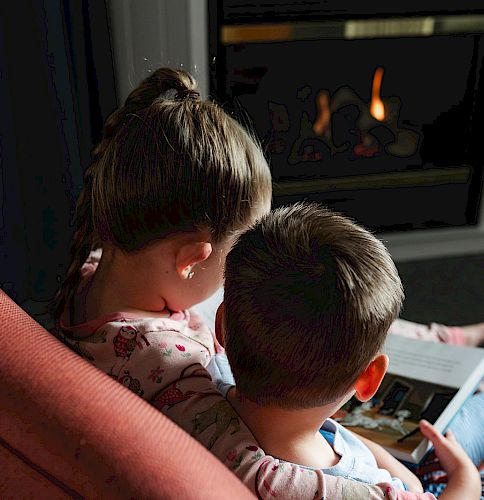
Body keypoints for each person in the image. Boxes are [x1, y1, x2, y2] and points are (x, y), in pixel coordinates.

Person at [51, 67, 480, 499]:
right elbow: (259, 470)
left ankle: (445, 338)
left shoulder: (96, 271)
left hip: (307, 400)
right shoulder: (174, 372)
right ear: (191, 260)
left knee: (328, 301)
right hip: (334, 436)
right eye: (240, 248)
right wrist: (461, 484)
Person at [213, 202, 482, 499]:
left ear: (222, 326)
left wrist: (401, 476)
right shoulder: (357, 490)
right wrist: (465, 478)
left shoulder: (204, 383)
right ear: (370, 380)